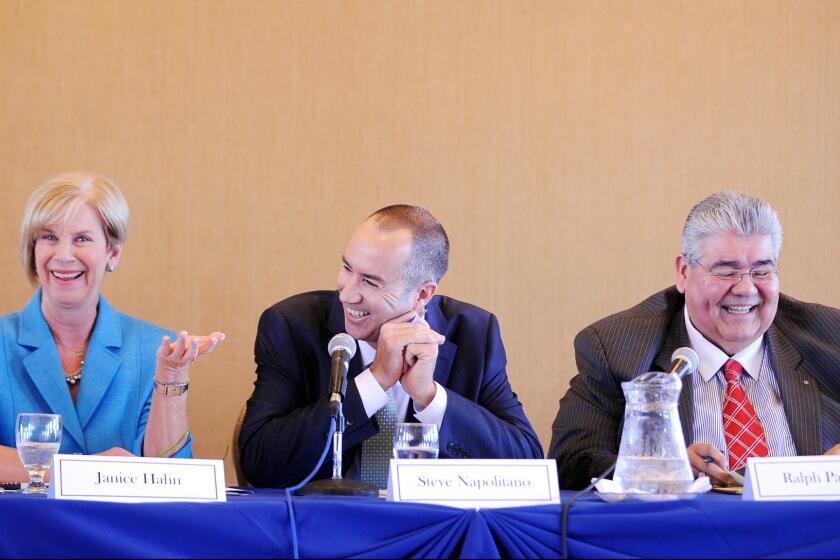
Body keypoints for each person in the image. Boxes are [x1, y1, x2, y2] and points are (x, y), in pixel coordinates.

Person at [549, 191, 840, 489]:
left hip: (810, 532)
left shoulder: (830, 337)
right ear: (684, 272)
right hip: (685, 533)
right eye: (726, 271)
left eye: (761, 271)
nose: (745, 288)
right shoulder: (618, 347)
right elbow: (571, 462)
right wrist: (660, 469)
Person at [239, 204, 542, 488]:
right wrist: (374, 380)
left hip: (434, 533)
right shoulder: (293, 326)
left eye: (370, 282)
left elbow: (527, 466)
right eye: (347, 269)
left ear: (423, 294)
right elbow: (260, 462)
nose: (347, 295)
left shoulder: (473, 334)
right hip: (326, 530)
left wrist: (430, 397)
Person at [0, 171, 225, 483]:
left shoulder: (152, 349)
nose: (63, 255)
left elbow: (169, 474)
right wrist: (85, 471)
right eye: (49, 237)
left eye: (82, 239)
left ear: (112, 252)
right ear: (33, 248)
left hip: (120, 531)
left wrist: (171, 378)